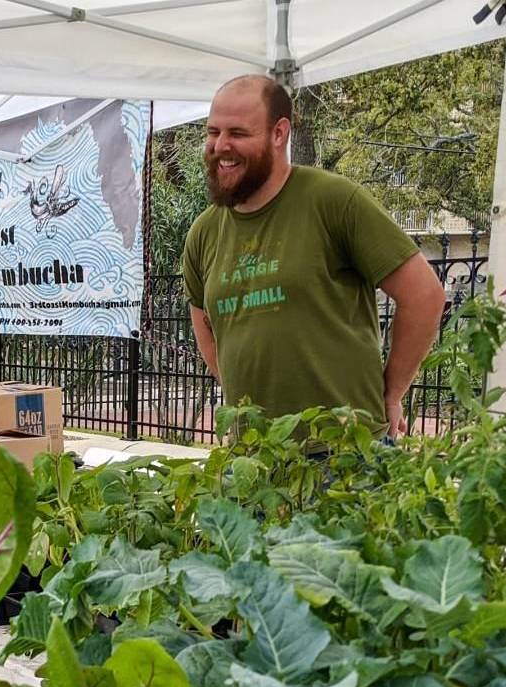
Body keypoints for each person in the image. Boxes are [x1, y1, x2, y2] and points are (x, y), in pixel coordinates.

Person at [184, 75, 446, 440]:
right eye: (213, 132)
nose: (220, 146)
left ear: (279, 133)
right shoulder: (204, 232)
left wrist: (392, 392)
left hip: (345, 452)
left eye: (238, 134)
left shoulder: (334, 201)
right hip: (253, 456)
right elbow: (205, 325)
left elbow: (424, 295)